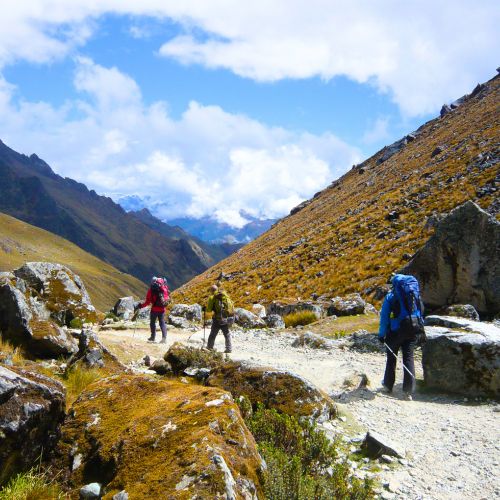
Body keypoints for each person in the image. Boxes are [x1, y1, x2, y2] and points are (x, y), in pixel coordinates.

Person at [378, 274, 424, 400]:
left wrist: (381, 335)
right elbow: (421, 312)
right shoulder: (414, 295)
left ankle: (388, 385)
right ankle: (408, 391)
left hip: (395, 331)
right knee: (408, 357)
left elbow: (384, 317)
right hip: (412, 328)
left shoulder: (391, 297)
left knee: (392, 357)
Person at [136, 277, 169, 343]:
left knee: (152, 323)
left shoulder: (151, 290)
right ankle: (164, 338)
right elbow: (167, 298)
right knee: (162, 323)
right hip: (162, 309)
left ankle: (152, 337)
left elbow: (147, 302)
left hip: (154, 309)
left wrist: (141, 306)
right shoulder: (164, 288)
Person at [205, 284, 234, 353]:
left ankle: (209, 347)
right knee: (226, 334)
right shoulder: (225, 296)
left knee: (213, 334)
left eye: (210, 291)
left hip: (217, 319)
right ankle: (229, 349)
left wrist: (205, 309)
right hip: (226, 318)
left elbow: (208, 310)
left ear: (212, 291)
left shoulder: (212, 297)